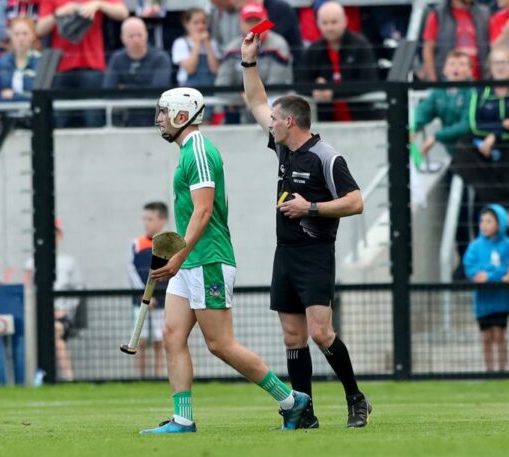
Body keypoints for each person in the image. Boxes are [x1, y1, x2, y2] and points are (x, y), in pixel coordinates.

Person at [142, 87, 310, 434]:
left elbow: (203, 212)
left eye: (164, 111)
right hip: (190, 261)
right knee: (172, 335)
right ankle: (183, 419)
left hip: (208, 260)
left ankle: (291, 401)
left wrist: (179, 257)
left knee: (220, 344)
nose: (159, 118)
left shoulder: (200, 151)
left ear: (181, 115)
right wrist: (179, 260)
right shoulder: (187, 151)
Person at [242, 30, 371, 429]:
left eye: (276, 120)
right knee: (292, 338)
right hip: (287, 253)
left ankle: (356, 398)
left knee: (321, 332)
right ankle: (305, 413)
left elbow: (356, 201)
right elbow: (256, 101)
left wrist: (310, 207)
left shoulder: (326, 157)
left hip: (315, 253)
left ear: (291, 121)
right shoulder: (284, 146)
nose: (271, 123)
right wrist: (249, 61)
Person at [450, 45, 509, 206]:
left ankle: (504, 201)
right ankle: (500, 201)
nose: (500, 67)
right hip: (482, 145)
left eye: (504, 62)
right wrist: (500, 128)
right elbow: (474, 124)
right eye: (496, 63)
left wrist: (495, 135)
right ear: (490, 66)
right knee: (462, 149)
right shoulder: (480, 91)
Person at [36, 0, 129, 128]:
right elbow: (39, 29)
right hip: (61, 68)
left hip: (92, 67)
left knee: (93, 120)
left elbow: (123, 12)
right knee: (60, 122)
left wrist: (99, 5)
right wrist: (59, 13)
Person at [24, 220, 83, 381]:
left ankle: (67, 376)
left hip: (62, 314)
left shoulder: (69, 262)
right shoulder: (31, 263)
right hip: (38, 313)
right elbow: (28, 290)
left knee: (55, 330)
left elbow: (77, 290)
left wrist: (65, 310)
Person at [216, 1, 291, 124]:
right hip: (240, 108)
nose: (253, 25)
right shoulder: (232, 48)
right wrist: (243, 98)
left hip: (275, 110)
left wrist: (252, 98)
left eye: (257, 20)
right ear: (240, 24)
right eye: (248, 21)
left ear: (266, 21)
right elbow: (222, 86)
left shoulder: (278, 45)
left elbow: (278, 86)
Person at [462, 204, 509, 372]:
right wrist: (482, 274)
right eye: (482, 221)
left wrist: (490, 275)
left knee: (499, 334)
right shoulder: (475, 246)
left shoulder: (508, 245)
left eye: (489, 221)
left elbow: (508, 267)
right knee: (486, 336)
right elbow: (470, 265)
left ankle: (503, 369)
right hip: (483, 299)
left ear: (500, 224)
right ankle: (489, 369)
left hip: (501, 299)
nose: (484, 225)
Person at [302, 1, 378, 121]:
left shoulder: (360, 45)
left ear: (344, 21)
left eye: (334, 22)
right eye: (325, 23)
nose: (329, 28)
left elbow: (369, 81)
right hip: (325, 121)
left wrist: (333, 91)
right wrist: (315, 88)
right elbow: (300, 82)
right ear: (318, 24)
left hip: (361, 117)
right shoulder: (314, 50)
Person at [103, 17, 171, 127]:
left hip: (154, 119)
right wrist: (143, 87)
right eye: (131, 36)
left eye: (139, 35)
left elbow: (157, 91)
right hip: (123, 118)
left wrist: (125, 88)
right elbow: (109, 90)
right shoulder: (116, 59)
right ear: (122, 38)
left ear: (146, 35)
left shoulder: (161, 58)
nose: (136, 40)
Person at [412, 50, 473, 171]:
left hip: (470, 146)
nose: (456, 68)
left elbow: (466, 125)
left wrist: (437, 136)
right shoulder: (439, 92)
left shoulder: (473, 92)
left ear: (469, 71)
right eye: (452, 64)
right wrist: (413, 128)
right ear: (444, 69)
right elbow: (424, 111)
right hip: (451, 148)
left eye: (461, 64)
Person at [128, 201, 169, 379]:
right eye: (145, 219)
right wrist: (143, 294)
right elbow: (131, 271)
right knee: (141, 340)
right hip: (141, 300)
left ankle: (159, 376)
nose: (146, 223)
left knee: (161, 340)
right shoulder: (137, 244)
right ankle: (142, 377)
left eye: (150, 219)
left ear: (162, 220)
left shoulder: (169, 243)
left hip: (163, 299)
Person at [420, 0, 490, 81]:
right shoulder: (438, 14)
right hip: (447, 84)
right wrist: (434, 80)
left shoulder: (484, 13)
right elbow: (428, 50)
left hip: (480, 82)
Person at [0, 17, 40, 105]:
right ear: (11, 36)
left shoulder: (41, 62)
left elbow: (39, 96)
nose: (21, 38)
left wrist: (15, 96)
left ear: (33, 36)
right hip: (6, 114)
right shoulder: (1, 63)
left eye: (25, 34)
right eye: (17, 34)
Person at [172, 7, 220, 87]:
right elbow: (190, 69)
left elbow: (215, 70)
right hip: (188, 88)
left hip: (210, 87)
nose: (200, 26)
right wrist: (197, 43)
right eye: (196, 23)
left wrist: (208, 46)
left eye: (203, 22)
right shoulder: (180, 43)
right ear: (186, 24)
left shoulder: (212, 43)